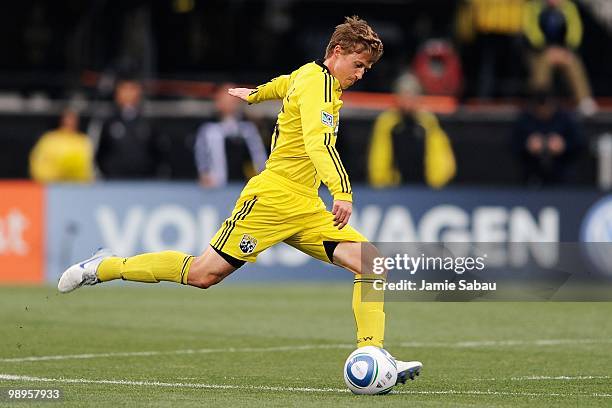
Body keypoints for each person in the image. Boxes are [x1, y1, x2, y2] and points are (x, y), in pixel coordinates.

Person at [58, 16, 422, 384]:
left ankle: (372, 351)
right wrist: (342, 191)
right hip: (272, 199)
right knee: (203, 275)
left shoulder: (309, 75)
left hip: (307, 207)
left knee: (371, 263)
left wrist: (256, 94)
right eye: (358, 65)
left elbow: (285, 82)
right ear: (337, 52)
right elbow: (319, 144)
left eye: (366, 69)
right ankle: (104, 267)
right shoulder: (320, 87)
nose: (361, 75)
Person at [368, 72, 456, 188]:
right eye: (403, 95)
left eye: (411, 95)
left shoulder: (428, 122)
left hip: (426, 187)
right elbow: (378, 156)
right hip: (394, 188)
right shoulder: (387, 122)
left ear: (418, 97)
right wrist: (381, 183)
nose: (407, 101)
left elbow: (442, 156)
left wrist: (437, 184)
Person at [523, 0, 597, 115]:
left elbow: (575, 30)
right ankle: (541, 101)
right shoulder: (534, 7)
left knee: (573, 62)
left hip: (563, 51)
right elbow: (531, 31)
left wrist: (568, 49)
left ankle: (584, 100)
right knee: (542, 64)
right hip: (540, 51)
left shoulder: (569, 7)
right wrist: (545, 49)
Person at [194, 83, 267, 187]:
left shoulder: (248, 129)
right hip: (216, 185)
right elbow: (201, 155)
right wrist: (204, 174)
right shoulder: (208, 129)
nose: (229, 104)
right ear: (217, 102)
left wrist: (262, 178)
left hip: (245, 186)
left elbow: (259, 156)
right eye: (224, 100)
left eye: (232, 100)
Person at [512, 90, 583, 186]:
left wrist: (564, 145)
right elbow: (512, 143)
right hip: (531, 175)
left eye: (547, 108)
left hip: (562, 174)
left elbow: (580, 143)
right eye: (540, 109)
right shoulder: (525, 119)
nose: (544, 112)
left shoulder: (565, 118)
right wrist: (527, 145)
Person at [95, 78, 162, 179]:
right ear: (117, 93)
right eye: (124, 89)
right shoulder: (108, 122)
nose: (128, 94)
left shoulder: (148, 122)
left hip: (144, 182)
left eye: (132, 89)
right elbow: (100, 153)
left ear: (139, 92)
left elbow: (158, 153)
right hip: (114, 183)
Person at [29, 109, 94, 183]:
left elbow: (88, 167)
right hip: (52, 185)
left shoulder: (83, 140)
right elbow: (38, 163)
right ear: (62, 120)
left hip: (77, 186)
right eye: (68, 119)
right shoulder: (49, 139)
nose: (70, 122)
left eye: (73, 119)